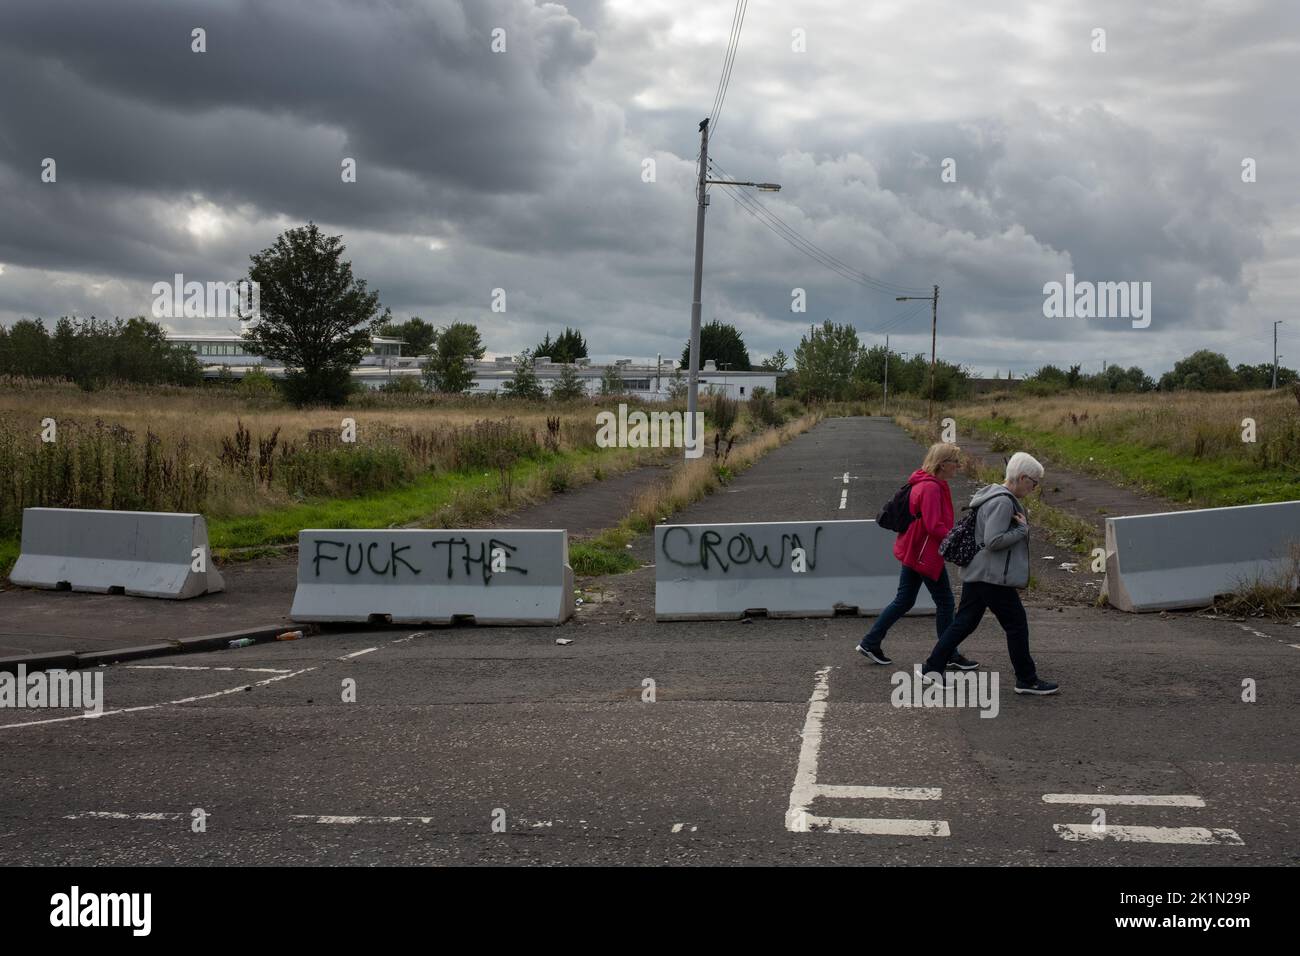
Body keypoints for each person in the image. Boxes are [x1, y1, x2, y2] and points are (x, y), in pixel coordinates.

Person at [921, 451, 1058, 695]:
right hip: (992, 576)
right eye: (1034, 483)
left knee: (964, 623)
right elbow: (993, 540)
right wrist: (1022, 530)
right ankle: (1026, 679)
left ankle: (932, 667)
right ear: (1023, 477)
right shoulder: (1002, 502)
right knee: (1016, 624)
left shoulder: (993, 494)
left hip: (980, 571)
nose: (1034, 488)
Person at [857, 442, 976, 670]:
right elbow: (933, 525)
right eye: (955, 462)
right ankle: (949, 652)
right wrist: (955, 538)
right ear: (943, 464)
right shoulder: (931, 487)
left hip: (914, 549)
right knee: (945, 602)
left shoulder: (924, 481)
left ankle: (870, 642)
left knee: (905, 599)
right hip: (925, 553)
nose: (958, 466)